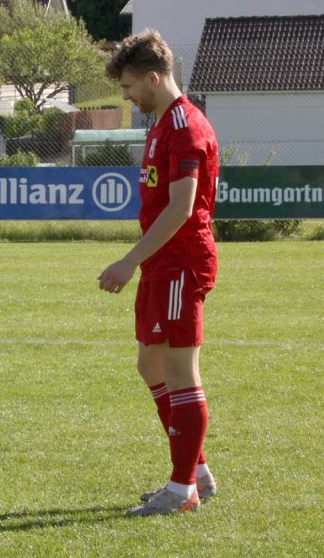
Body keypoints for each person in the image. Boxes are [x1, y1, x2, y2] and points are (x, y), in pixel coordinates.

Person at [97, 29, 220, 516]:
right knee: (150, 365)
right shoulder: (163, 123)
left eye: (128, 87)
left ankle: (181, 488)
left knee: (181, 372)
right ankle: (197, 474)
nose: (126, 97)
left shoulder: (186, 127)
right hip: (160, 263)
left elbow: (182, 208)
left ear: (153, 76)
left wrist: (129, 260)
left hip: (179, 262)